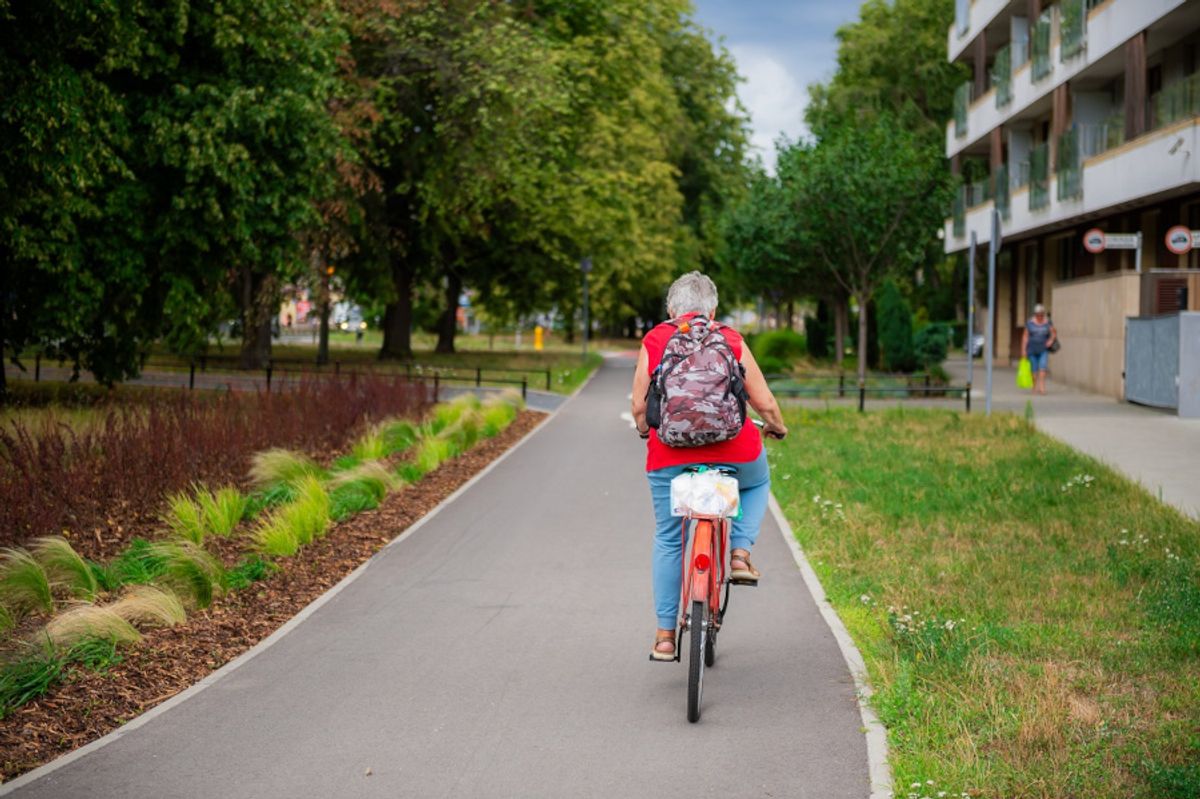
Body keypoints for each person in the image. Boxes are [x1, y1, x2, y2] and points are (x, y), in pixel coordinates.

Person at [630, 271, 788, 661]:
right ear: (713, 310)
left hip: (670, 456)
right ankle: (739, 553)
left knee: (669, 539)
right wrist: (777, 426)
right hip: (734, 450)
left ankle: (666, 636)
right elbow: (763, 400)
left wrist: (644, 432)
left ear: (671, 310)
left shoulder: (655, 339)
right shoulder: (730, 339)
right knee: (757, 483)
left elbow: (638, 406)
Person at [1021, 303, 1057, 395]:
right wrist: (1024, 350)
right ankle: (1034, 386)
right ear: (1035, 314)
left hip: (1043, 349)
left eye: (1041, 314)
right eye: (1038, 315)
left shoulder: (1048, 322)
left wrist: (1051, 340)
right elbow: (1025, 336)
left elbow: (1053, 332)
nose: (1040, 317)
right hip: (1032, 349)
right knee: (1034, 369)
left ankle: (1042, 387)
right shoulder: (1030, 323)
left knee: (1043, 367)